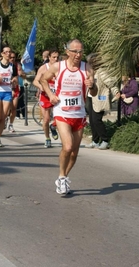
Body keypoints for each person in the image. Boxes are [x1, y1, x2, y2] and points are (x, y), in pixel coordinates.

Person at [40, 39, 97, 195]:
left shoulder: (87, 68)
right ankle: (61, 175)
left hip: (79, 113)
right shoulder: (58, 67)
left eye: (80, 51)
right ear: (68, 52)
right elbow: (43, 79)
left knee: (75, 153)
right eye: (75, 51)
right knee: (68, 147)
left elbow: (94, 93)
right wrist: (51, 95)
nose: (78, 55)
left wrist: (92, 85)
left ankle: (63, 177)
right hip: (62, 113)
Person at [86, 54, 119, 150]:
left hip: (100, 98)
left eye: (89, 62)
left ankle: (105, 140)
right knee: (92, 121)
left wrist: (116, 92)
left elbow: (111, 83)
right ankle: (95, 141)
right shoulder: (91, 72)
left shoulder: (102, 72)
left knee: (97, 120)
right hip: (91, 97)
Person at [33, 48, 60, 148]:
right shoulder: (44, 68)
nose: (56, 59)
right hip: (45, 96)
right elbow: (35, 81)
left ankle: (53, 127)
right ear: (49, 58)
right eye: (53, 57)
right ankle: (47, 138)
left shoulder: (60, 67)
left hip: (56, 95)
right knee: (46, 119)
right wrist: (41, 87)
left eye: (57, 57)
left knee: (60, 117)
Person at [7, 52, 26, 133]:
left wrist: (22, 74)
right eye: (11, 57)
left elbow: (24, 75)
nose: (12, 59)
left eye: (14, 57)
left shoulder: (17, 65)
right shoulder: (4, 66)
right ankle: (4, 119)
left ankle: (11, 124)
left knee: (14, 107)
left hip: (15, 88)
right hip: (6, 89)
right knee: (6, 108)